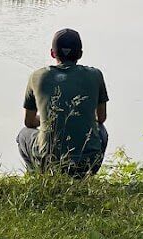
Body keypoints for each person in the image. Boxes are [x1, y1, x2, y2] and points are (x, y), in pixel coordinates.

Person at [17, 28, 109, 176]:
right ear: (80, 54)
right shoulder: (95, 75)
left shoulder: (37, 76)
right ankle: (87, 175)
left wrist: (49, 119)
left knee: (23, 134)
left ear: (53, 53)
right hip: (87, 162)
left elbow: (29, 122)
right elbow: (101, 118)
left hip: (50, 162)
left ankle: (38, 175)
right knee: (102, 131)